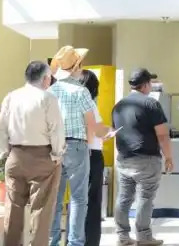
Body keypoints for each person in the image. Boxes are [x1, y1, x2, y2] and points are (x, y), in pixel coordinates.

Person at [0, 61, 65, 246]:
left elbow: (2, 128)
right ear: (45, 79)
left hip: (16, 154)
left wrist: (4, 152)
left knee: (13, 207)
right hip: (43, 156)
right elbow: (56, 129)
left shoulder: (11, 96)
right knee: (41, 209)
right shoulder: (48, 98)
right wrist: (57, 154)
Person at [48, 46, 110, 246]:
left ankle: (52, 241)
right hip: (77, 146)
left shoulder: (49, 92)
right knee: (78, 198)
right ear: (77, 67)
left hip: (53, 147)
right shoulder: (81, 92)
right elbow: (93, 126)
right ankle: (75, 242)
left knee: (55, 199)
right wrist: (105, 132)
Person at [113, 68, 173, 246]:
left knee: (124, 198)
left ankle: (122, 236)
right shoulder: (151, 104)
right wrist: (169, 157)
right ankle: (144, 236)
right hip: (146, 159)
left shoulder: (118, 106)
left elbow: (116, 131)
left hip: (124, 159)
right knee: (145, 198)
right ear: (146, 84)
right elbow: (162, 134)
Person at [79, 69, 106, 246]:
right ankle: (91, 241)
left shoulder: (69, 102)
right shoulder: (89, 103)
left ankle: (76, 239)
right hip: (92, 154)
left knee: (78, 200)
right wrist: (108, 131)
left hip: (75, 153)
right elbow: (97, 129)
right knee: (93, 200)